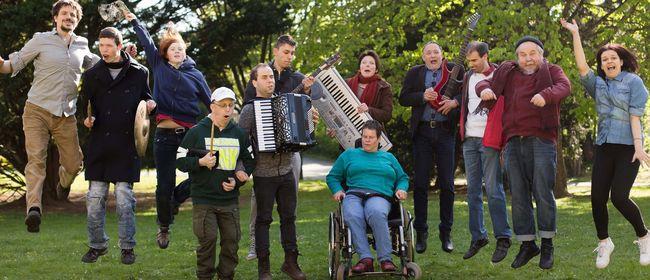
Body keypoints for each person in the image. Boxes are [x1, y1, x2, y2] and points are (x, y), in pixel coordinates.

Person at [0, 0, 99, 233]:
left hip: (66, 115)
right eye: (64, 13)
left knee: (74, 164)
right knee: (36, 160)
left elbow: (102, 65)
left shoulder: (82, 44)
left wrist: (123, 55)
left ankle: (63, 185)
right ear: (55, 18)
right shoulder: (40, 40)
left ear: (77, 20)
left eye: (73, 14)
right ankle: (34, 209)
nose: (69, 17)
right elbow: (11, 66)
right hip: (37, 111)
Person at [476, 35, 571, 269]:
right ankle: (528, 244)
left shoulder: (552, 71)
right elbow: (483, 82)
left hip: (541, 139)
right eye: (522, 54)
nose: (528, 59)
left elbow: (564, 87)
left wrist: (545, 95)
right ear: (517, 57)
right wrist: (484, 91)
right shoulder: (508, 73)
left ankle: (547, 244)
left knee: (542, 192)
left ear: (541, 55)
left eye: (532, 54)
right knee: (518, 195)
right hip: (513, 142)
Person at [561, 19, 650, 268]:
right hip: (604, 147)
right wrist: (575, 34)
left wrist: (639, 147)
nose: (608, 62)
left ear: (621, 61)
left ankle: (644, 236)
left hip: (628, 148)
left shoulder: (634, 83)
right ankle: (604, 242)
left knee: (619, 197)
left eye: (612, 58)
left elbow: (635, 117)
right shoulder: (598, 85)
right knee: (597, 198)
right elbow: (581, 67)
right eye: (603, 60)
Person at [123, 10, 213, 249]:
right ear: (165, 53)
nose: (177, 51)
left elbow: (211, 102)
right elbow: (146, 40)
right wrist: (133, 20)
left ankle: (175, 199)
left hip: (189, 137)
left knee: (204, 173)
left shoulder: (195, 74)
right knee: (164, 183)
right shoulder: (158, 65)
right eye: (173, 48)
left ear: (185, 53)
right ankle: (164, 227)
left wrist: (223, 116)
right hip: (164, 136)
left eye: (181, 48)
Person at [79, 27, 155, 265]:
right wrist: (86, 119)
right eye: (100, 46)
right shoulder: (92, 75)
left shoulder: (139, 72)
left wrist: (151, 104)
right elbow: (84, 106)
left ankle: (127, 248)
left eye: (108, 46)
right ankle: (97, 245)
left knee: (124, 199)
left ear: (119, 46)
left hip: (126, 145)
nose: (103, 50)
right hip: (100, 144)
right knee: (94, 199)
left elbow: (148, 98)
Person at [242, 34, 319, 261]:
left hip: (289, 154)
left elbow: (302, 115)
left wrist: (310, 121)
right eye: (286, 52)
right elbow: (251, 111)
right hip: (263, 157)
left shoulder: (298, 77)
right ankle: (254, 245)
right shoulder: (261, 74)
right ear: (276, 51)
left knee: (289, 205)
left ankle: (290, 254)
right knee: (260, 204)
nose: (290, 56)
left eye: (292, 53)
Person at [176, 87, 255, 280]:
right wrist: (200, 162)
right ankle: (204, 276)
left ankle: (226, 276)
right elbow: (179, 160)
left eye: (231, 105)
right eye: (223, 105)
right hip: (204, 200)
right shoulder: (196, 132)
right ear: (212, 107)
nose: (228, 109)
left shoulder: (238, 133)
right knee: (207, 241)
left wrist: (238, 179)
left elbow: (250, 159)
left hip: (229, 201)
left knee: (231, 242)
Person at [444, 41, 513, 262]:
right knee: (472, 191)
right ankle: (478, 237)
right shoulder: (467, 78)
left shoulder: (499, 76)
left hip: (490, 140)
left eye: (474, 60)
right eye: (469, 61)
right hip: (469, 140)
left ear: (486, 56)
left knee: (493, 189)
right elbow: (463, 100)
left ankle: (503, 237)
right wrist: (455, 105)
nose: (471, 64)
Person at [398, 41, 464, 254]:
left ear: (442, 54)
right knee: (420, 185)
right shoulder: (414, 73)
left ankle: (446, 233)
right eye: (429, 52)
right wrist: (421, 96)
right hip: (423, 133)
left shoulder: (455, 69)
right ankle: (421, 233)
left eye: (436, 51)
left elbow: (466, 94)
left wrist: (454, 102)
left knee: (447, 184)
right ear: (423, 56)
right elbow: (403, 98)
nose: (433, 55)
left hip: (446, 132)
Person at [326, 120, 408, 273]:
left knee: (376, 212)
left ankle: (386, 259)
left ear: (379, 139)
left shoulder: (388, 158)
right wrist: (337, 190)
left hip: (380, 195)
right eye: (364, 136)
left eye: (371, 137)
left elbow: (402, 178)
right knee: (351, 214)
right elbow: (332, 177)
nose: (367, 140)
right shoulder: (349, 154)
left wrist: (401, 189)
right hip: (354, 193)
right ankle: (365, 259)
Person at [326, 50, 394, 142]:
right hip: (349, 138)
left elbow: (387, 115)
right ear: (360, 67)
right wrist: (334, 127)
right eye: (364, 62)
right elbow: (337, 110)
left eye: (371, 63)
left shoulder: (384, 87)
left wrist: (368, 110)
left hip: (373, 139)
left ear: (376, 69)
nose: (367, 65)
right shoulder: (346, 83)